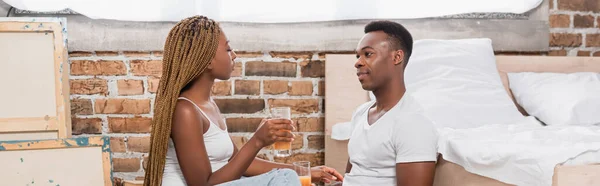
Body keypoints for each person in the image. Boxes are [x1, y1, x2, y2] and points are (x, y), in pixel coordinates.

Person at [143, 15, 344, 186]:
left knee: (289, 177)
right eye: (228, 49)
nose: (235, 55)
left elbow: (239, 162)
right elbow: (202, 184)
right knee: (284, 180)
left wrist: (304, 172)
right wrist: (257, 141)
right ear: (207, 60)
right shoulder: (185, 110)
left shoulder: (208, 105)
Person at [343, 20, 439, 186]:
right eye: (358, 55)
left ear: (397, 57)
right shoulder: (360, 113)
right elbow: (353, 176)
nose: (358, 62)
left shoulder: (413, 123)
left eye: (368, 54)